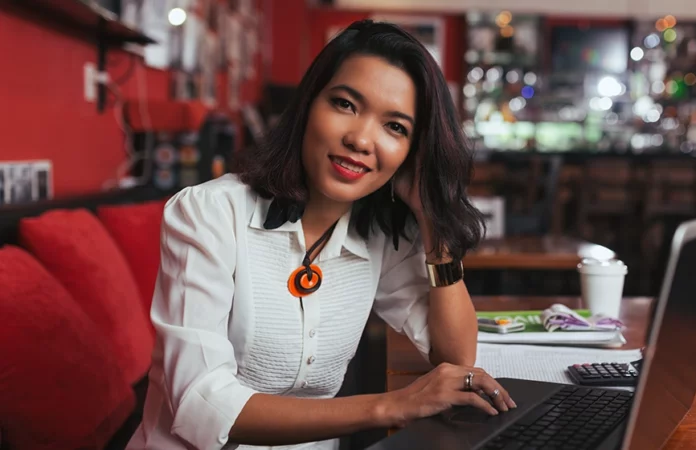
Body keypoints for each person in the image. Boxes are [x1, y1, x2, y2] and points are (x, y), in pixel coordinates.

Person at [127, 20, 516, 450]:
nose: (361, 139)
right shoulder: (209, 213)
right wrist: (391, 406)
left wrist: (433, 221)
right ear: (309, 103)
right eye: (346, 104)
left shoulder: (378, 236)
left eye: (396, 127)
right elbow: (200, 404)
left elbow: (456, 362)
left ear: (412, 154)